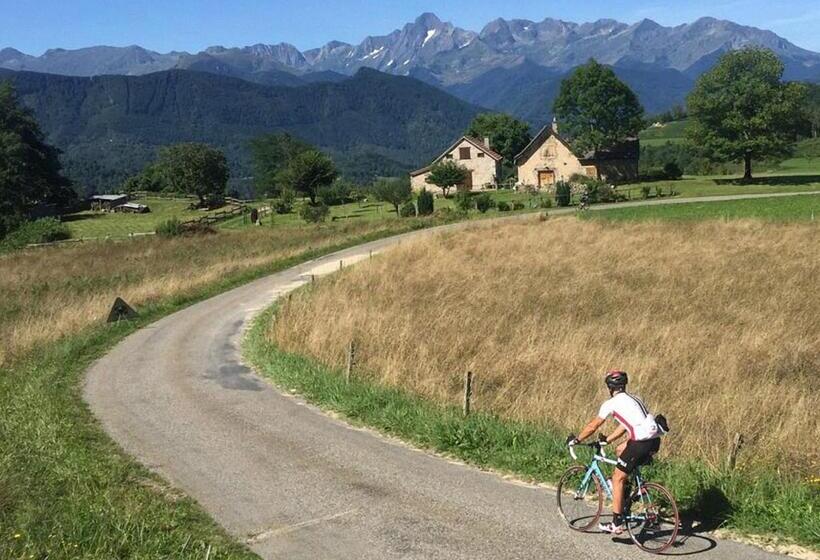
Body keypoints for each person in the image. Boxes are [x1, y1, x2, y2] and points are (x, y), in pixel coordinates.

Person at [567, 370, 661, 534]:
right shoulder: (635, 399)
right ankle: (633, 489)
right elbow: (626, 425)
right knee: (620, 449)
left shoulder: (610, 403)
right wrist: (608, 440)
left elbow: (593, 425)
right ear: (623, 385)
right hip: (653, 440)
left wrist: (577, 440)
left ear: (610, 387)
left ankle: (616, 523)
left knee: (617, 478)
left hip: (640, 443)